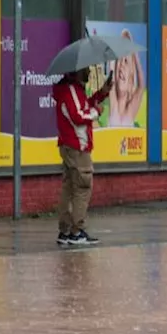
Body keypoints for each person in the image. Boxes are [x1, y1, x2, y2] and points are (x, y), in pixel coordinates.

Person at [54, 67, 112, 246]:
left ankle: (65, 231)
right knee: (82, 188)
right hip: (77, 146)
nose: (89, 72)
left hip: (70, 145)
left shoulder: (72, 89)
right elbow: (78, 115)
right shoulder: (71, 90)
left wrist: (101, 94)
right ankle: (76, 231)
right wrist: (97, 112)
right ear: (77, 71)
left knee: (69, 188)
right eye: (86, 69)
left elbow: (84, 105)